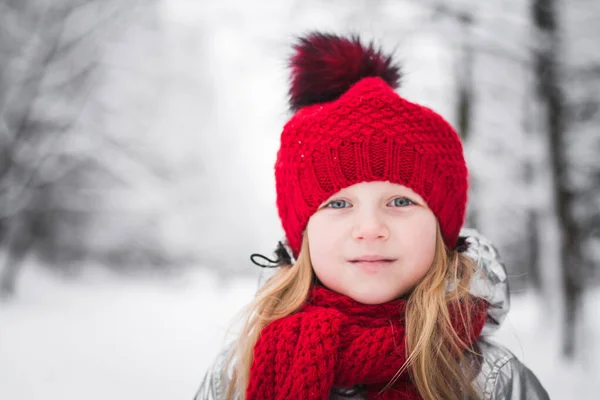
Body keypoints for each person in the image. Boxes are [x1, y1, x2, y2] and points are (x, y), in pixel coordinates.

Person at [194, 32, 550, 400]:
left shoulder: (493, 382)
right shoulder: (241, 373)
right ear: (302, 236)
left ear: (442, 230)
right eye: (338, 204)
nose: (369, 229)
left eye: (399, 202)